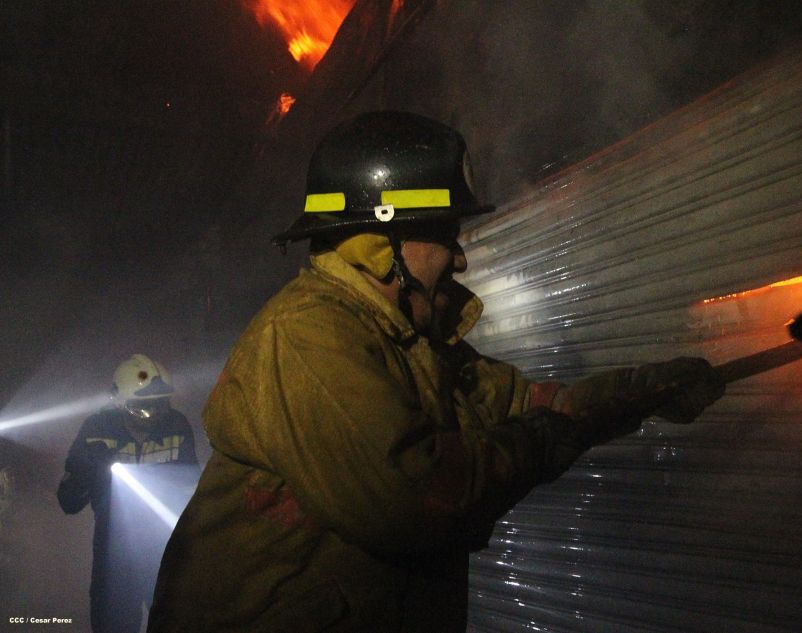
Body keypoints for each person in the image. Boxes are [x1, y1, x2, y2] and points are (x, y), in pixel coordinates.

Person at [148, 111, 724, 632]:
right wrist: (545, 441)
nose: (461, 256)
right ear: (381, 241)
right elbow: (411, 501)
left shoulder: (406, 340)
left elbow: (532, 404)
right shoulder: (307, 335)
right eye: (445, 231)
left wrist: (645, 392)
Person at [57, 353, 198, 633]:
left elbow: (191, 491)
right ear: (119, 404)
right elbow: (68, 501)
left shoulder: (177, 426)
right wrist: (91, 469)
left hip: (166, 552)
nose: (153, 416)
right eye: (142, 408)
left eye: (160, 405)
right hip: (114, 555)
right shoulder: (96, 430)